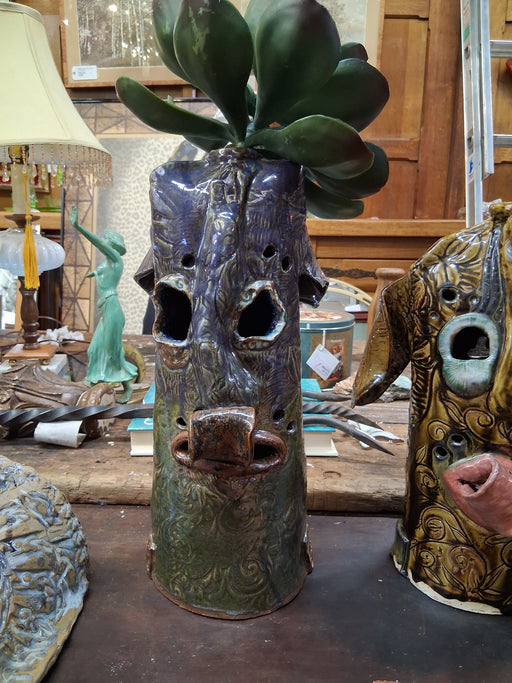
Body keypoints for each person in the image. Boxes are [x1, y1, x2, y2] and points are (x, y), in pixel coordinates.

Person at [70, 206, 137, 403]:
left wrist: (78, 226)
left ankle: (127, 387)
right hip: (105, 309)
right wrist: (95, 273)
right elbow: (101, 272)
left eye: (107, 241)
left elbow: (97, 243)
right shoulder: (106, 264)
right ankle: (93, 389)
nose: (104, 242)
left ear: (112, 245)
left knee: (112, 351)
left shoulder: (116, 259)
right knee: (94, 349)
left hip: (112, 309)